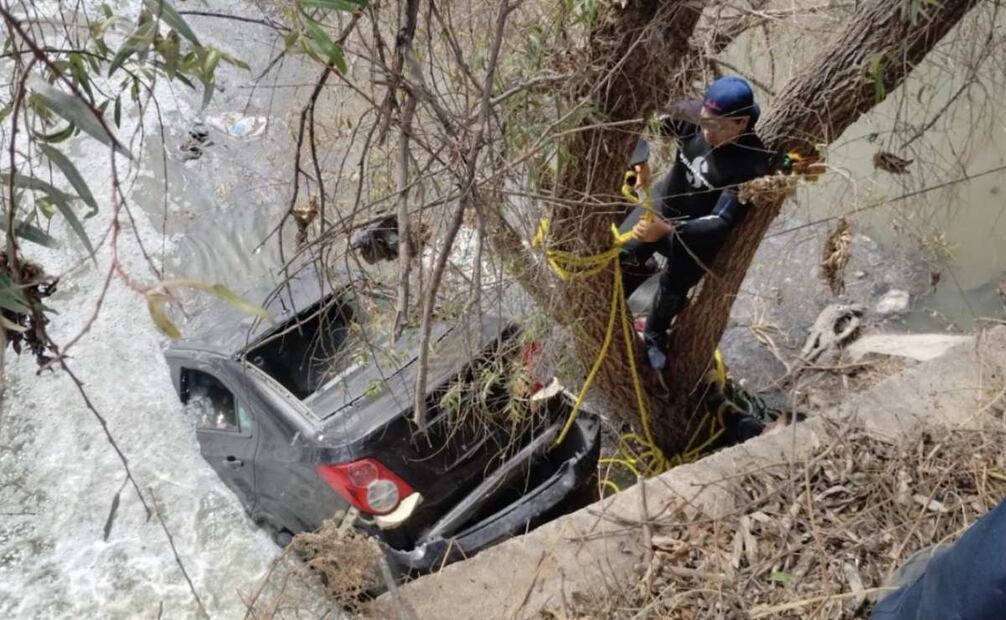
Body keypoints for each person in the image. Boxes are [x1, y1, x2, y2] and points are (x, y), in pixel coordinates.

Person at [620, 76, 772, 369]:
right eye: (704, 121)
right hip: (663, 204)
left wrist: (667, 231)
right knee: (622, 254)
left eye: (717, 127)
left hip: (694, 235)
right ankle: (616, 305)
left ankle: (654, 334)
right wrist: (639, 160)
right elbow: (639, 122)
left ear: (741, 123)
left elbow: (721, 220)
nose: (706, 131)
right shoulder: (689, 116)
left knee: (672, 289)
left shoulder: (751, 163)